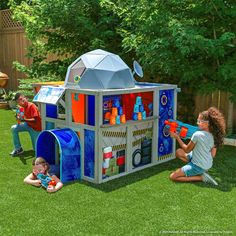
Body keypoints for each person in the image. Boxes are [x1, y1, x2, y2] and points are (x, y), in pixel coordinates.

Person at [169, 107, 226, 185]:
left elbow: (187, 150)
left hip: (198, 166)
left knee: (173, 177)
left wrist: (177, 137)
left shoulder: (197, 135)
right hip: (207, 164)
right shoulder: (215, 135)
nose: (197, 123)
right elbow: (213, 155)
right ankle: (201, 170)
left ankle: (201, 177)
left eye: (199, 121)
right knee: (179, 152)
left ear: (207, 123)